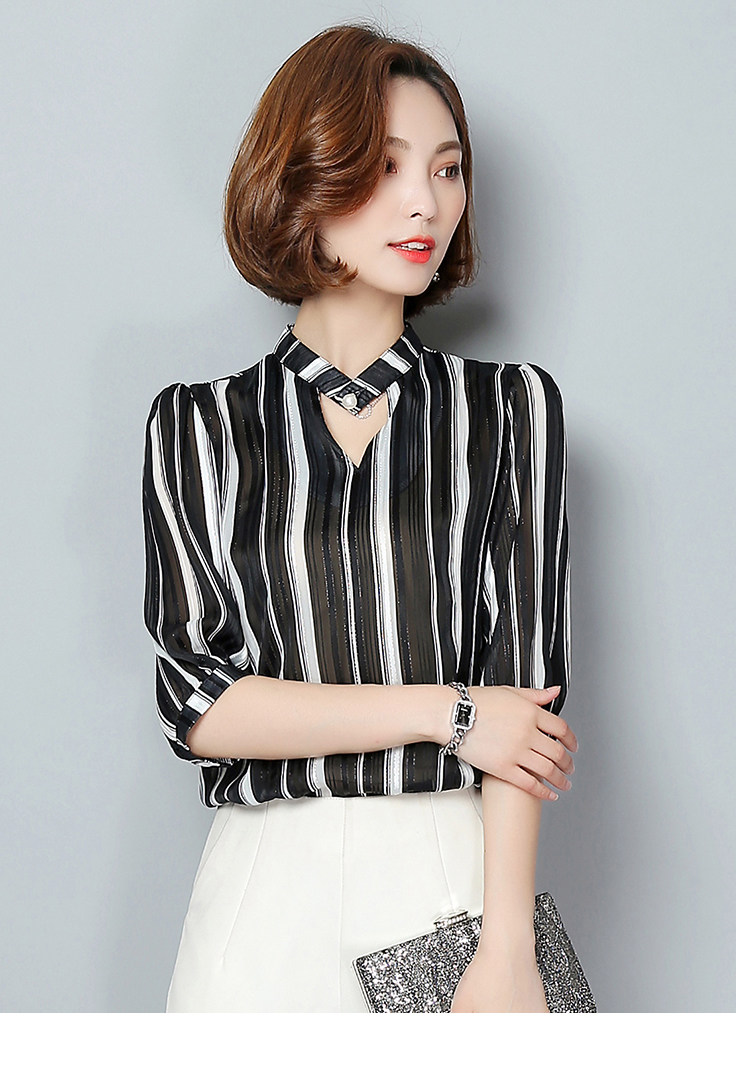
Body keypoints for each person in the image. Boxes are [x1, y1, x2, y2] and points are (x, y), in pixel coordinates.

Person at [141, 21, 578, 1013]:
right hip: (261, 890)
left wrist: (508, 942)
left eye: (447, 169)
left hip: (450, 877)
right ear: (303, 175)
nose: (427, 200)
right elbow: (199, 706)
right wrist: (450, 712)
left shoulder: (509, 410)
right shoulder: (198, 426)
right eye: (386, 166)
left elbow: (527, 707)